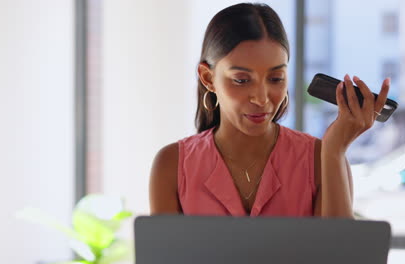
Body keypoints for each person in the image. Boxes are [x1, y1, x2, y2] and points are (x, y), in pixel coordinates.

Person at [149, 3, 390, 217]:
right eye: (242, 80)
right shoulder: (172, 165)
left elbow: (341, 255)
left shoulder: (320, 158)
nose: (262, 99)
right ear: (208, 78)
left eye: (275, 78)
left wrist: (334, 151)